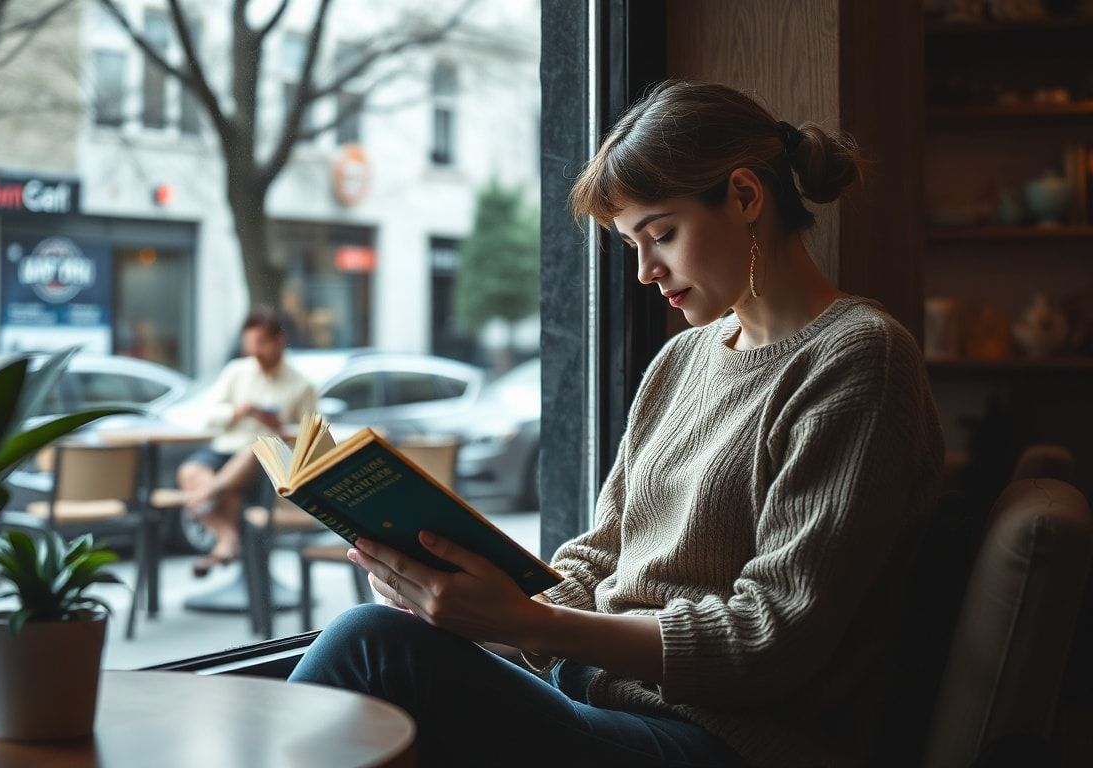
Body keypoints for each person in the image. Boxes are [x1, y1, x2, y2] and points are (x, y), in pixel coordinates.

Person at [288, 79, 945, 768]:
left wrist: (532, 623)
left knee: (370, 649)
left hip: (734, 743)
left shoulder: (859, 359)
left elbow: (771, 638)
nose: (644, 271)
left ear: (746, 197)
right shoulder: (682, 359)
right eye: (632, 244)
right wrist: (459, 600)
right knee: (380, 642)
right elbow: (601, 558)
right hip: (604, 702)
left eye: (661, 234)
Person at [177, 308, 317, 577]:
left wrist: (279, 427)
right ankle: (227, 540)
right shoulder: (236, 372)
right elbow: (209, 415)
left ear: (278, 341)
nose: (255, 352)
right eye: (250, 345)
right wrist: (238, 411)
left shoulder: (302, 384)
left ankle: (204, 496)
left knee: (258, 448)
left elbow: (310, 436)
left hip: (266, 466)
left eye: (261, 344)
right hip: (225, 449)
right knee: (190, 471)